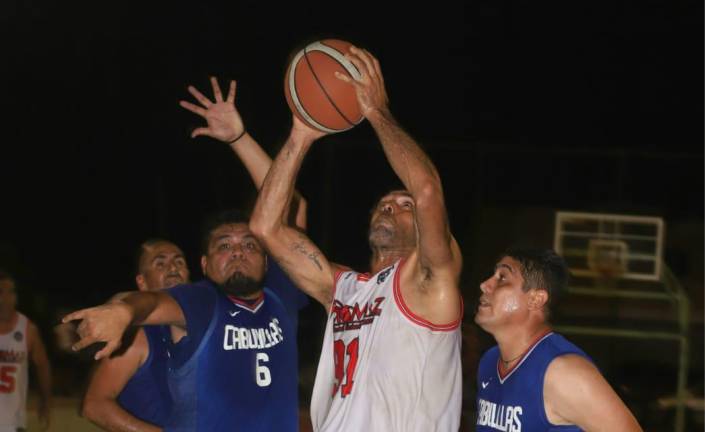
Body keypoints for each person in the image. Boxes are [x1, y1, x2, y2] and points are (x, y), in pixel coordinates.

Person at [64, 77, 307, 431]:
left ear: (269, 258)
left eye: (249, 243)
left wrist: (240, 139)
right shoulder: (200, 303)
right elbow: (151, 304)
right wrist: (123, 310)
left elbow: (292, 205)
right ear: (206, 266)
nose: (238, 251)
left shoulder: (282, 294)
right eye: (224, 245)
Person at [250, 45, 463, 432]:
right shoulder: (344, 288)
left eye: (404, 205)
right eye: (384, 203)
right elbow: (265, 228)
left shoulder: (432, 280)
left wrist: (375, 112)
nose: (390, 207)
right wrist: (301, 134)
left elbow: (427, 190)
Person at [474, 247, 642, 431]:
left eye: (502, 278)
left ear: (536, 299)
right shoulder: (490, 361)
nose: (485, 284)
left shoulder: (563, 372)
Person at [82, 239, 190, 431]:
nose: (173, 268)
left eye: (179, 261)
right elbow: (94, 406)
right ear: (142, 282)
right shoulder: (140, 335)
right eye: (160, 263)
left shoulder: (201, 325)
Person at [0, 269, 52, 432]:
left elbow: (42, 365)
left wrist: (45, 400)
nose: (7, 298)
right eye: (1, 292)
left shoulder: (27, 329)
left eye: (11, 292)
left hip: (13, 422)